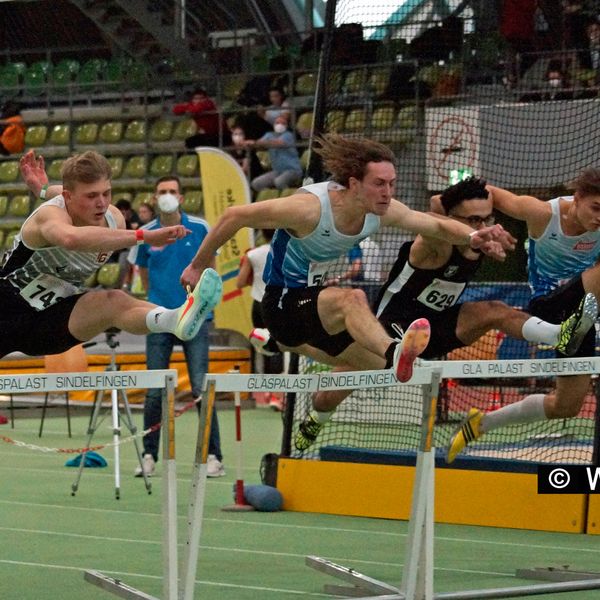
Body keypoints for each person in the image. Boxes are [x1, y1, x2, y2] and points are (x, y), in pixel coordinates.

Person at [180, 134, 516, 428]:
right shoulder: (308, 209)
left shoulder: (380, 210)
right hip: (283, 301)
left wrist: (474, 236)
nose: (387, 192)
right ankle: (394, 350)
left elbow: (437, 226)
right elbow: (235, 215)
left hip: (313, 315)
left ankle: (279, 345)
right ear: (354, 184)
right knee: (352, 299)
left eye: (391, 183)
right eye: (379, 184)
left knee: (382, 370)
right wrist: (197, 265)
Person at [288, 176, 596, 451]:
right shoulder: (433, 244)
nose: (482, 225)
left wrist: (480, 231)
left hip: (439, 325)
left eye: (487, 218)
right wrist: (463, 227)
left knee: (495, 310)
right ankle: (315, 418)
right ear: (451, 219)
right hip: (393, 333)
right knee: (328, 395)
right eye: (473, 219)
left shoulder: (481, 242)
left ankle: (559, 333)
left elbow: (452, 209)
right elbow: (435, 213)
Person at [2, 149, 222, 359]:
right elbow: (71, 239)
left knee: (113, 300)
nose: (102, 203)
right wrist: (144, 236)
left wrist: (42, 189)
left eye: (106, 193)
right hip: (6, 310)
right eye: (91, 196)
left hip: (49, 320)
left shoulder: (114, 220)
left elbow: (64, 192)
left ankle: (175, 319)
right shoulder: (50, 216)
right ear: (68, 197)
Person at [447, 168, 600, 463]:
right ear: (578, 198)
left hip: (582, 315)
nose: (599, 218)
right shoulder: (542, 213)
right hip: (548, 308)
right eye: (595, 208)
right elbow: (486, 192)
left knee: (566, 406)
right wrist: (455, 212)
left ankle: (481, 424)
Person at [128, 175, 224, 477]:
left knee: (200, 386)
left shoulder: (200, 228)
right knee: (155, 391)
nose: (167, 195)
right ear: (154, 198)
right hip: (159, 320)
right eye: (161, 192)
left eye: (172, 191)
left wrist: (203, 305)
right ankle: (149, 455)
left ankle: (213, 456)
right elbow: (142, 272)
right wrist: (155, 299)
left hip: (194, 319)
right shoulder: (146, 234)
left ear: (181, 198)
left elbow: (211, 271)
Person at [236, 229, 284, 410]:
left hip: (258, 304)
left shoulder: (253, 255)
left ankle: (265, 392)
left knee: (262, 345)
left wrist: (253, 277)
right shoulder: (287, 251)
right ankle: (275, 395)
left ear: (262, 235)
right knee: (278, 346)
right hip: (278, 304)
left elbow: (239, 283)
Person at [246, 115, 303, 193]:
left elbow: (278, 143)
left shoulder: (288, 135)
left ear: (286, 126)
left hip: (292, 170)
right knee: (256, 183)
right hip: (277, 171)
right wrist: (250, 143)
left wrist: (257, 142)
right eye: (277, 122)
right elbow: (259, 144)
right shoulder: (269, 135)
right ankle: (270, 197)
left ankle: (288, 197)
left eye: (283, 123)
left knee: (279, 182)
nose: (280, 125)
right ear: (274, 124)